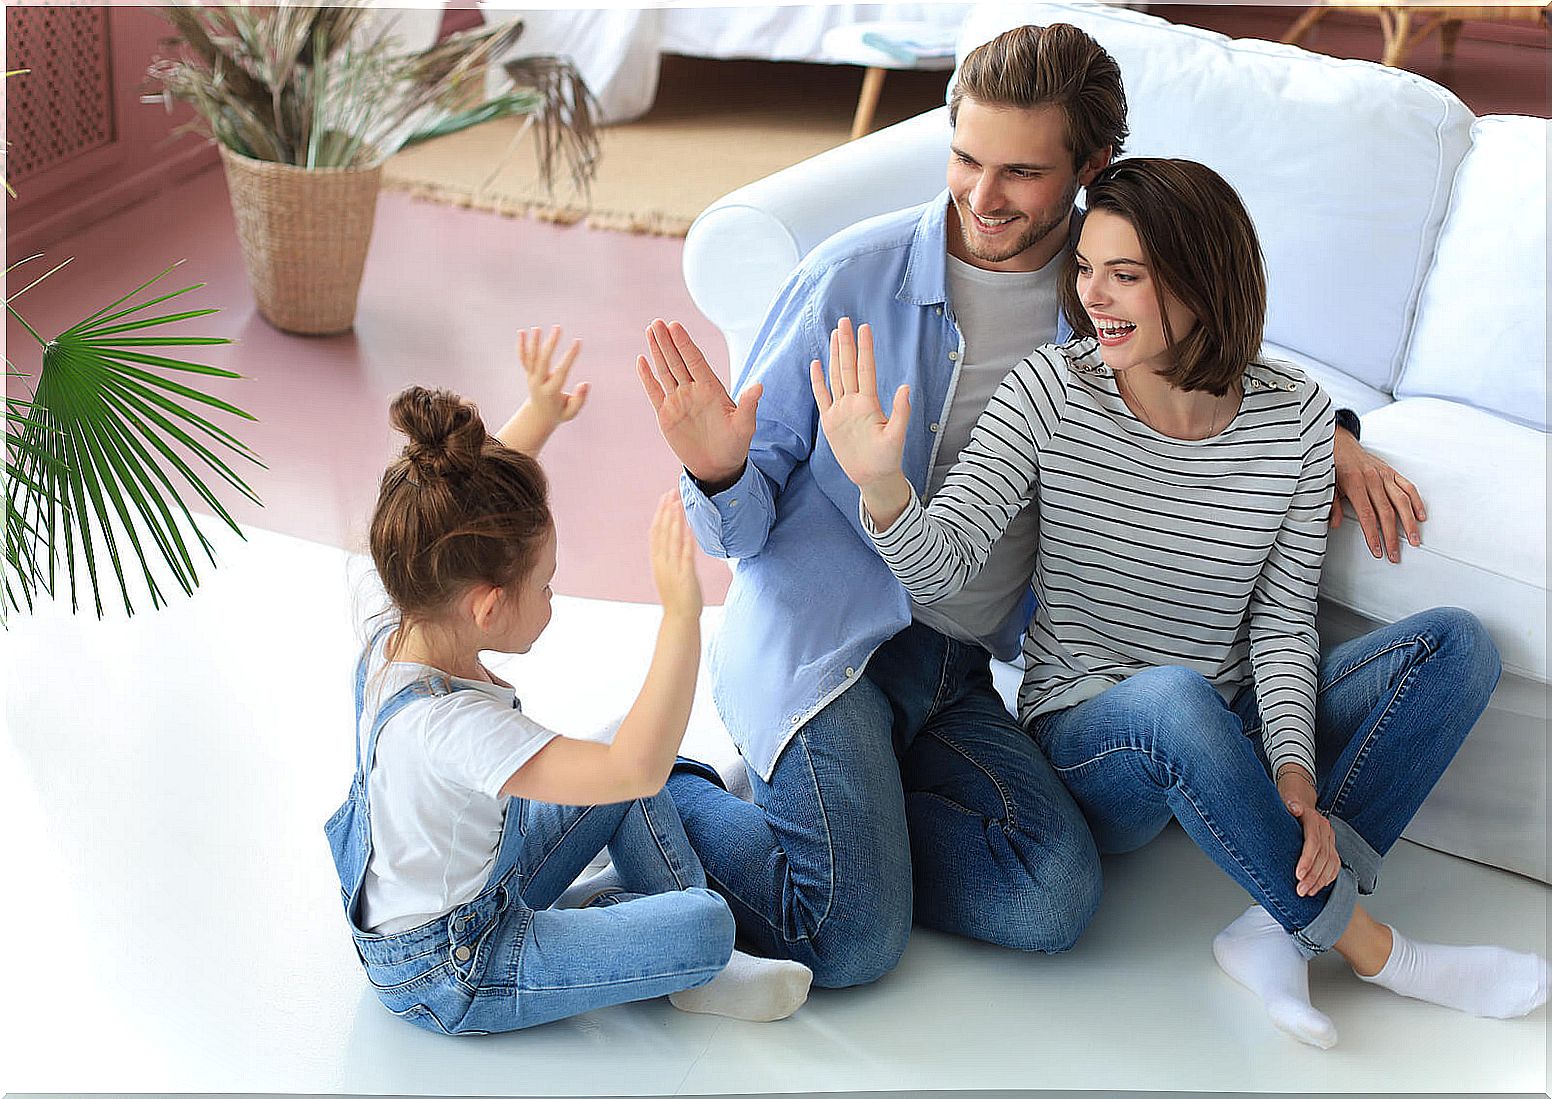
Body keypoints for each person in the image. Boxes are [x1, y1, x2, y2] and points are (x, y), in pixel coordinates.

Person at [635, 22, 1423, 989]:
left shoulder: (1102, 299)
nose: (982, 196)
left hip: (958, 673)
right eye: (965, 158)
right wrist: (719, 472)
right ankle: (655, 791)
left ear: (1091, 165)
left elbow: (1221, 337)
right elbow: (744, 537)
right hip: (824, 646)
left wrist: (1331, 434)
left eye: (1021, 172)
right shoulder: (850, 280)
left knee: (1053, 897)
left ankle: (852, 824)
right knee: (851, 942)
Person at [813, 157, 1546, 1047]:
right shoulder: (1051, 391)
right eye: (1085, 269)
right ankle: (1374, 948)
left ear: (1203, 281)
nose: (1094, 299)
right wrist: (885, 486)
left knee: (1458, 646)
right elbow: (944, 564)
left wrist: (1294, 773)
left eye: (1125, 275)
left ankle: (1274, 928)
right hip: (1096, 733)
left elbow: (1280, 625)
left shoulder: (1299, 418)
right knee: (1174, 697)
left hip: (1227, 714)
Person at [324, 328, 812, 1034]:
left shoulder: (406, 602)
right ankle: (682, 942)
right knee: (704, 917)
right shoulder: (455, 728)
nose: (554, 596)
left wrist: (539, 415)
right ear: (489, 605)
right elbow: (635, 770)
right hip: (457, 965)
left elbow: (462, 517)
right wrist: (679, 614)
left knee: (615, 739)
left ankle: (656, 939)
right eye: (546, 585)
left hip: (480, 875)